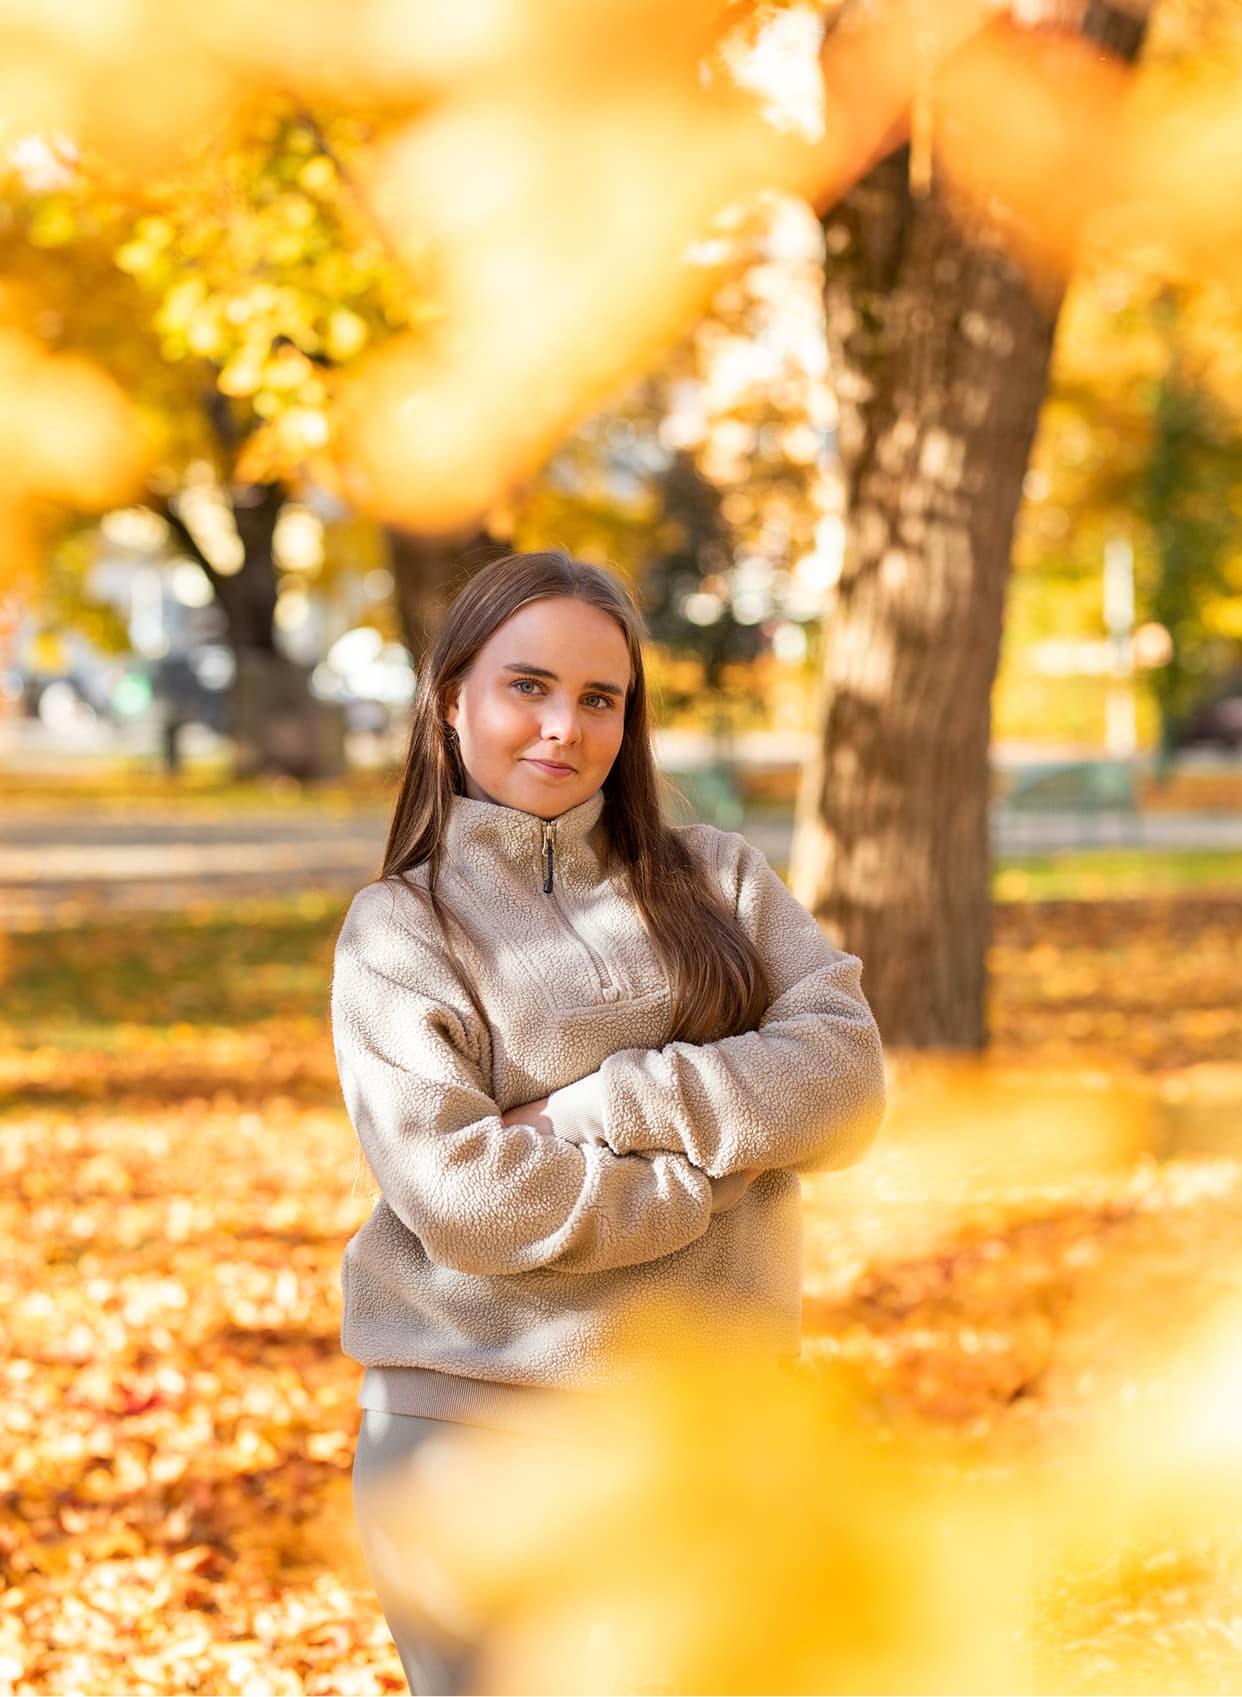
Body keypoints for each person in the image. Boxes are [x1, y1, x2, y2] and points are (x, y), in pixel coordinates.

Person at [331, 548, 887, 1694]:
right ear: (451, 698)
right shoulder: (399, 932)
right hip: (475, 1438)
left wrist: (608, 1105)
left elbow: (846, 1079)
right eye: (526, 685)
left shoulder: (719, 880)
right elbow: (469, 1196)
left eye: (600, 699)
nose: (563, 728)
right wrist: (732, 1166)